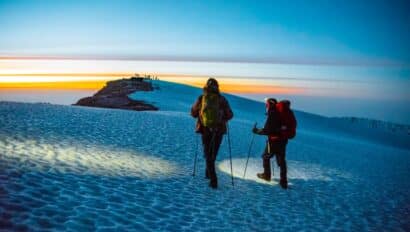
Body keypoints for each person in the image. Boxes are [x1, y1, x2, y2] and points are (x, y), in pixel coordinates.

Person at [191, 78, 233, 189]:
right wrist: (222, 117)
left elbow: (193, 113)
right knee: (212, 154)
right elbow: (230, 115)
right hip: (218, 130)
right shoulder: (222, 99)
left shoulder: (201, 98)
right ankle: (209, 175)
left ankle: (212, 179)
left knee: (207, 153)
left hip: (205, 129)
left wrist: (201, 115)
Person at [252, 98, 289, 189]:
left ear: (269, 105)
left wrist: (257, 131)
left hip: (273, 141)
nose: (266, 106)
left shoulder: (272, 114)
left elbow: (267, 130)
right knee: (281, 160)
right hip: (283, 140)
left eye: (267, 104)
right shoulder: (281, 114)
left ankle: (266, 175)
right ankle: (283, 181)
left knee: (266, 156)